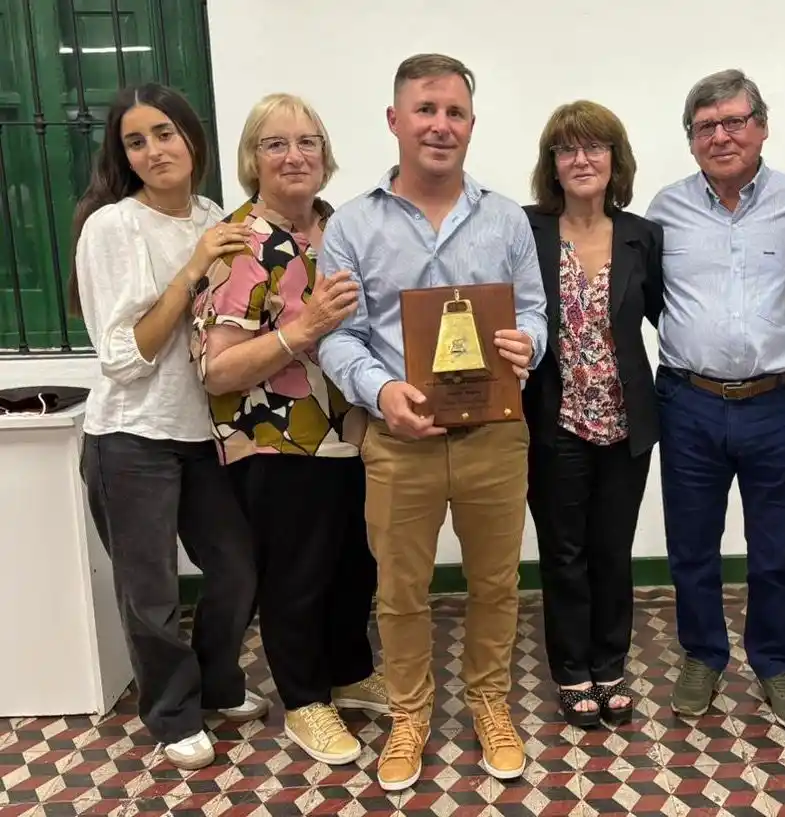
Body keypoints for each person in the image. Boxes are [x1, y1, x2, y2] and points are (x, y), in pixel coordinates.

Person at [316, 53, 548, 791]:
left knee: (496, 582)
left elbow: (536, 311)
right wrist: (380, 391)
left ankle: (488, 701)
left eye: (454, 112)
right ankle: (410, 712)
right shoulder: (351, 225)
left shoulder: (506, 218)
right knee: (400, 589)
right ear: (395, 120)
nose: (439, 125)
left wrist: (528, 342)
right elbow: (335, 335)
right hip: (399, 440)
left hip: (494, 436)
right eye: (425, 109)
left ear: (471, 126)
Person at [69, 82, 268, 770]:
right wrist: (191, 268)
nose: (153, 149)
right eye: (135, 140)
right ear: (122, 155)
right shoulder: (112, 227)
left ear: (191, 138)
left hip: (203, 435)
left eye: (163, 132)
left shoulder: (213, 214)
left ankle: (215, 682)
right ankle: (173, 711)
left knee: (238, 569)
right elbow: (124, 357)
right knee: (149, 591)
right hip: (131, 437)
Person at [190, 93, 388, 766]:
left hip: (355, 431)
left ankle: (349, 670)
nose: (295, 155)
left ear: (326, 156)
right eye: (276, 144)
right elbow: (216, 371)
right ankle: (305, 700)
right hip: (276, 440)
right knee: (297, 576)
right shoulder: (236, 243)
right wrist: (301, 330)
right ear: (252, 160)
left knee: (354, 566)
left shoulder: (342, 229)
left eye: (307, 141)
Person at [644, 69, 785, 726]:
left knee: (778, 546)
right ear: (690, 140)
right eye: (705, 126)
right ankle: (702, 654)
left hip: (780, 401)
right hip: (688, 399)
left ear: (760, 127)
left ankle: (774, 660)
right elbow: (654, 298)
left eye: (733, 121)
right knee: (692, 541)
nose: (720, 135)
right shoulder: (665, 210)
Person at [522, 100, 663, 728]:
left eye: (594, 148)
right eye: (567, 149)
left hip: (627, 421)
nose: (581, 160)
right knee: (563, 553)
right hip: (553, 421)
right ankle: (572, 672)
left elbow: (663, 315)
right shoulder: (526, 231)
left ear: (615, 159)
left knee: (613, 550)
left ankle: (611, 664)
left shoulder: (641, 235)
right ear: (552, 164)